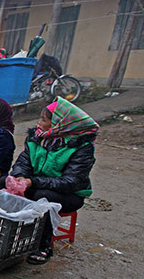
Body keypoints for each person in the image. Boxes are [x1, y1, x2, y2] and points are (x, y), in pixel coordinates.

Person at [9, 98, 98, 264]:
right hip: (36, 185)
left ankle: (43, 246)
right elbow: (23, 161)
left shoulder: (81, 146)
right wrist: (20, 176)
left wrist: (32, 182)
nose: (39, 123)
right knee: (1, 184)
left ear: (58, 123)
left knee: (43, 197)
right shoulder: (37, 138)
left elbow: (71, 182)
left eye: (44, 119)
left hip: (68, 195)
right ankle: (8, 236)